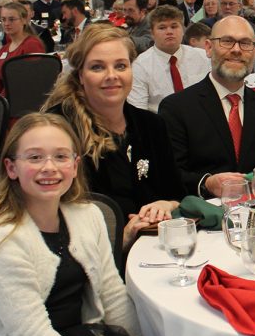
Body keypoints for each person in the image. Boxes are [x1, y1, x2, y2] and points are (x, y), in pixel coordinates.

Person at [0, 113, 168, 336]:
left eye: (61, 156)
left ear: (75, 166)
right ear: (11, 168)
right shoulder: (0, 238)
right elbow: (32, 333)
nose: (49, 167)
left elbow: (112, 294)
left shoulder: (89, 215)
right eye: (35, 157)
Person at [44, 24, 185, 245]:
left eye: (120, 66)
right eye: (97, 67)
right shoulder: (57, 130)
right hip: (92, 255)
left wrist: (166, 204)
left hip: (156, 246)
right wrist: (121, 238)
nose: (112, 76)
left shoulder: (151, 125)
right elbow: (50, 219)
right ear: (81, 75)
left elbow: (177, 194)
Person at [159, 16, 255, 198]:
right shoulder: (177, 108)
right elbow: (170, 173)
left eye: (245, 43)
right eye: (227, 41)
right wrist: (206, 183)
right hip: (206, 209)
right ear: (208, 47)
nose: (236, 50)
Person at [128, 5, 211, 112]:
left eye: (174, 26)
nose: (169, 32)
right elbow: (138, 110)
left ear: (183, 30)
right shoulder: (140, 66)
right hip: (161, 120)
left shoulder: (203, 57)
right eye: (162, 28)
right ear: (152, 34)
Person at [0, 3, 47, 96]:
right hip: (4, 99)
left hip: (23, 99)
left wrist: (1, 97)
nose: (6, 24)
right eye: (3, 19)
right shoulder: (3, 50)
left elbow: (32, 80)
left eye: (11, 19)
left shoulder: (31, 45)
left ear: (24, 20)